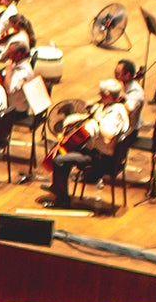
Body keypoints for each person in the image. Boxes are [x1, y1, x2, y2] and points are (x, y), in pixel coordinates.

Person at [49, 80, 131, 208]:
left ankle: (63, 200)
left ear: (108, 95)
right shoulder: (110, 106)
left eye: (102, 95)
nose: (99, 97)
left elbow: (108, 135)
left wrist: (96, 122)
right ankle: (58, 189)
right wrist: (75, 118)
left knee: (59, 160)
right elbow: (90, 116)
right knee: (62, 149)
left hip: (102, 159)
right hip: (96, 152)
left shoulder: (115, 114)